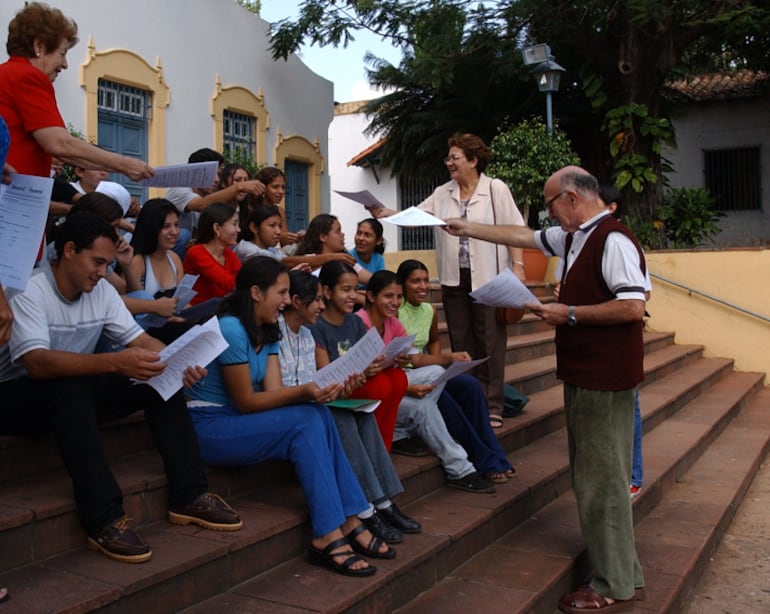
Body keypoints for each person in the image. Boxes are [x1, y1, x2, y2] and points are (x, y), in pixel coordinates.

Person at [444, 166, 646, 612]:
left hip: (603, 375)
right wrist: (465, 227)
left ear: (571, 199)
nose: (548, 215)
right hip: (586, 373)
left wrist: (569, 312)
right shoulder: (573, 237)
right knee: (600, 476)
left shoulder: (611, 240)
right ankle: (624, 571)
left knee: (599, 480)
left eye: (551, 204)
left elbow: (632, 306)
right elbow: (523, 237)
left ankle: (611, 583)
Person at [0, 212, 242, 564]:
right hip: (15, 396)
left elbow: (142, 340)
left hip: (73, 392)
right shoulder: (30, 290)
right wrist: (116, 362)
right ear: (69, 250)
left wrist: (178, 364)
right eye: (97, 262)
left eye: (107, 264)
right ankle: (104, 519)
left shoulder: (101, 292)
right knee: (69, 388)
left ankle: (189, 495)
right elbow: (37, 364)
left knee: (159, 377)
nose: (102, 273)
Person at [184, 256, 391, 577]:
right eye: (281, 293)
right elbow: (247, 402)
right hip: (210, 426)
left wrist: (319, 393)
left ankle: (351, 517)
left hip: (240, 420)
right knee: (306, 417)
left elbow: (274, 391)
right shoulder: (232, 329)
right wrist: (307, 391)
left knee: (316, 414)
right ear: (255, 293)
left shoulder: (266, 330)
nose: (285, 301)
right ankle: (326, 534)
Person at [374, 133, 526, 428]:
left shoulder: (495, 189)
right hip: (455, 278)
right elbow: (417, 214)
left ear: (473, 160)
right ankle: (470, 401)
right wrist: (387, 213)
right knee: (461, 339)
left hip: (490, 277)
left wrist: (518, 266)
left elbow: (514, 229)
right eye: (449, 158)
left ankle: (493, 404)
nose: (450, 163)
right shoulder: (443, 192)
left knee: (491, 341)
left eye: (455, 158)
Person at [279, 270, 420, 543]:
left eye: (355, 289)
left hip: (327, 395)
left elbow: (328, 377)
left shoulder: (307, 334)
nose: (321, 305)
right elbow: (319, 376)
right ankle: (367, 511)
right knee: (345, 418)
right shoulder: (308, 331)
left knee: (364, 416)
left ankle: (384, 503)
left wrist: (363, 372)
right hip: (309, 402)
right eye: (318, 299)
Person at [358, 270, 497, 494]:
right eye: (388, 296)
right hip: (371, 396)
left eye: (398, 297)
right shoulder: (359, 324)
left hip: (394, 388)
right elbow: (360, 376)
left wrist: (447, 358)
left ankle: (402, 427)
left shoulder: (393, 324)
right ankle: (459, 468)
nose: (394, 303)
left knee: (434, 371)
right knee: (423, 408)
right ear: (371, 296)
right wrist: (410, 388)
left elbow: (416, 358)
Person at [0, 3, 152, 206]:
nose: (65, 64)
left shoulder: (6, 75)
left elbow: (67, 153)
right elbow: (61, 144)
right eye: (62, 53)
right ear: (39, 46)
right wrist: (125, 164)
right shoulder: (27, 76)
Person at [396, 259, 516, 483]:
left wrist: (441, 365)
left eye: (425, 280)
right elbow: (406, 359)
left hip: (429, 370)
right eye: (415, 281)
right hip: (407, 377)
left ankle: (496, 452)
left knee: (471, 386)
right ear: (402, 285)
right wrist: (446, 359)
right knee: (446, 400)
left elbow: (432, 341)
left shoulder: (429, 310)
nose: (423, 286)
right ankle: (486, 459)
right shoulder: (396, 311)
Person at [309, 261, 408, 451]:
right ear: (327, 292)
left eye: (355, 289)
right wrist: (363, 369)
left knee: (398, 378)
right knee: (381, 385)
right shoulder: (317, 326)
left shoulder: (355, 322)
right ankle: (371, 446)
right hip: (335, 391)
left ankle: (384, 446)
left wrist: (378, 363)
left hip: (357, 382)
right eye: (346, 289)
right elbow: (325, 373)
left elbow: (367, 356)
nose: (353, 296)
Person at [165, 148, 264, 251]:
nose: (216, 179)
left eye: (219, 174)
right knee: (184, 235)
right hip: (167, 251)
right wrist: (239, 187)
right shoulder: (179, 188)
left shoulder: (212, 196)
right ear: (194, 173)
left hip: (193, 250)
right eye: (211, 174)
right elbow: (201, 205)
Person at [183, 203, 241, 305]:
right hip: (197, 314)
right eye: (234, 224)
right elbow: (230, 283)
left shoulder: (229, 254)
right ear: (217, 228)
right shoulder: (196, 252)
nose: (238, 229)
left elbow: (242, 278)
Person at [349, 218, 385, 287]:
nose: (361, 238)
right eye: (359, 233)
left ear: (379, 240)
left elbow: (381, 286)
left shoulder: (378, 259)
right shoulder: (348, 256)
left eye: (367, 235)